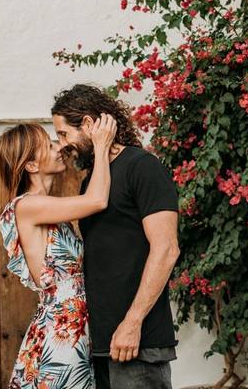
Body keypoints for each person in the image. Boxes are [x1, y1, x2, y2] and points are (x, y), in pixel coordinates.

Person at [51, 84, 180, 389]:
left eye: (63, 134)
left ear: (88, 125)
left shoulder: (142, 167)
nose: (62, 145)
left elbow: (167, 249)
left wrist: (132, 322)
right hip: (101, 344)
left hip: (138, 342)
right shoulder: (93, 182)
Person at [0, 115, 117, 389]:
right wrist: (101, 144)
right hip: (61, 333)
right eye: (48, 146)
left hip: (75, 328)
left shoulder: (50, 209)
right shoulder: (26, 206)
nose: (58, 148)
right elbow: (97, 200)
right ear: (31, 165)